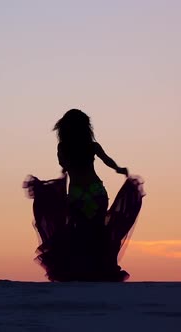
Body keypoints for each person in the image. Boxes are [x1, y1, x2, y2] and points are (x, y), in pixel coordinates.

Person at [23, 109, 145, 281]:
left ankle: (82, 271)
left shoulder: (63, 147)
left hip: (78, 193)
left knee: (79, 232)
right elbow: (107, 160)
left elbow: (63, 164)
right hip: (96, 192)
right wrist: (119, 169)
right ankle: (100, 270)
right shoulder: (91, 145)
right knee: (98, 231)